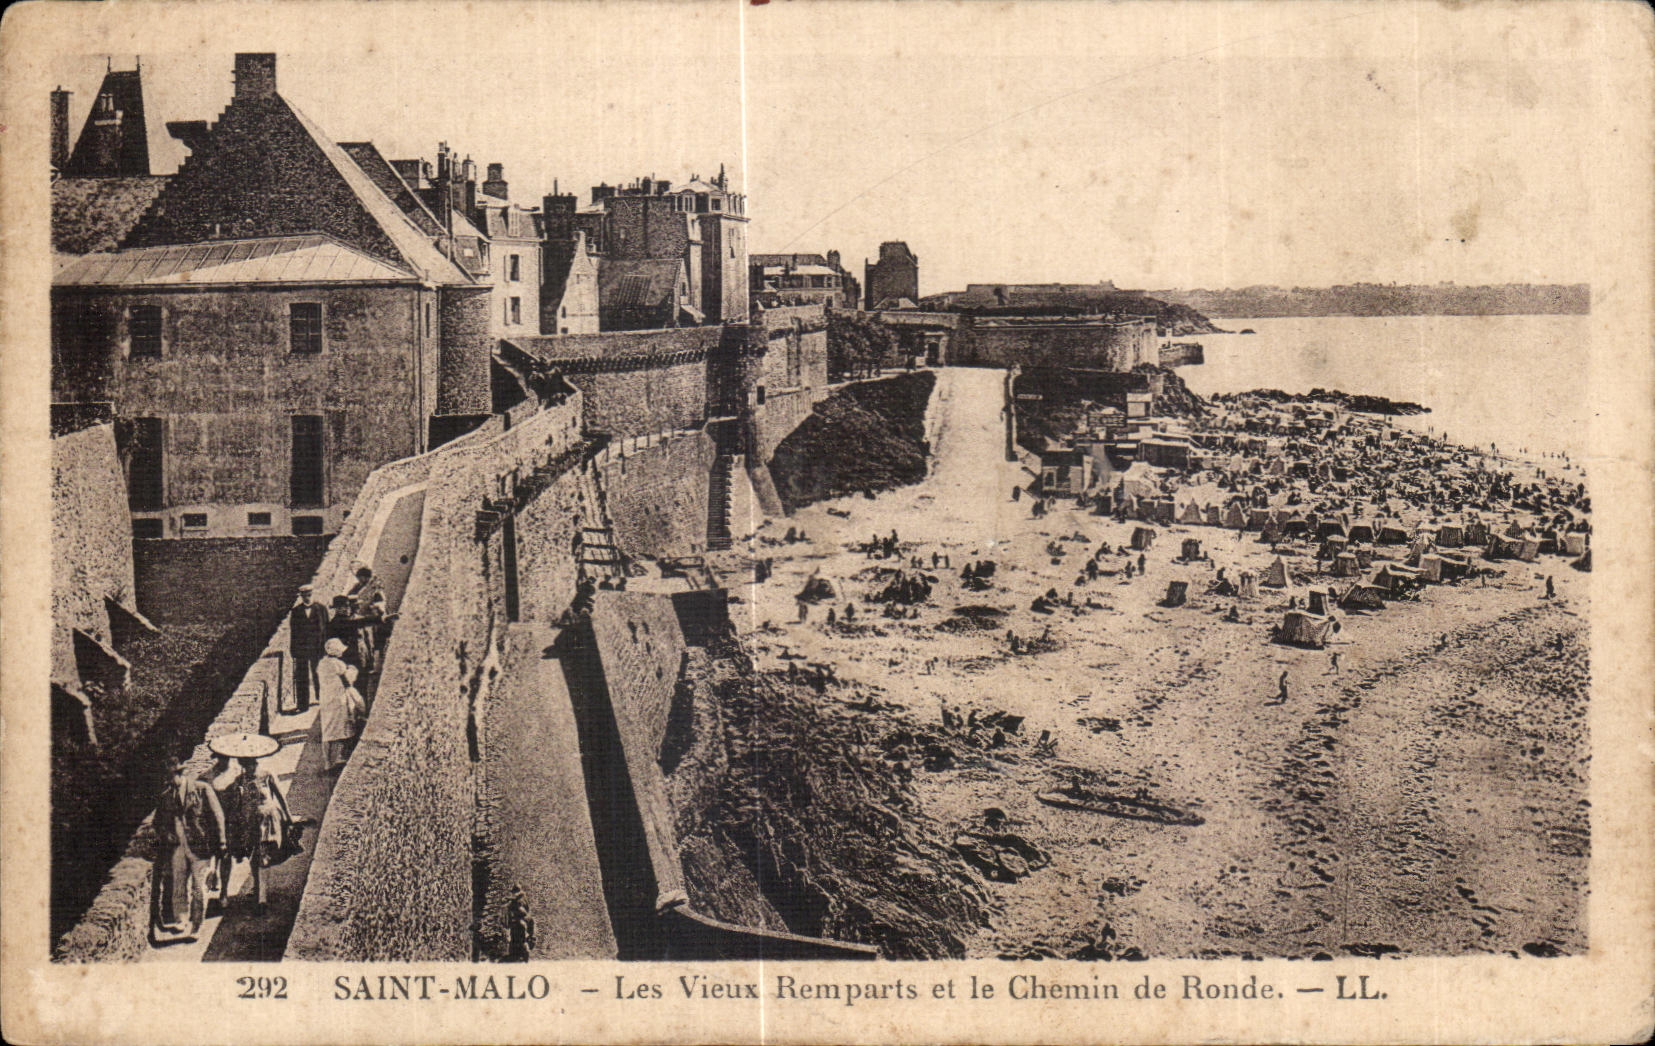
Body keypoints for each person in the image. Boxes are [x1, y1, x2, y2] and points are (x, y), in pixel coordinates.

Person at [160, 759, 226, 939]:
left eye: (172, 777)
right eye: (167, 778)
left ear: (180, 774)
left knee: (199, 887)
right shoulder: (167, 796)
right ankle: (181, 919)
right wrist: (167, 834)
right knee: (178, 883)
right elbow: (159, 822)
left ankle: (196, 926)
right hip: (179, 846)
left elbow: (218, 815)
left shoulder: (201, 789)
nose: (170, 781)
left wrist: (222, 841)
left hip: (200, 845)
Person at [318, 638, 365, 771]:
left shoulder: (322, 663)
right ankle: (341, 756)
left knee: (327, 731)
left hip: (326, 700)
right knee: (344, 728)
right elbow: (348, 681)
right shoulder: (338, 664)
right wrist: (352, 670)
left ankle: (327, 762)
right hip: (339, 701)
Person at [287, 585, 329, 714]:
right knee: (301, 676)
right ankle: (302, 704)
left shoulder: (321, 609)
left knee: (320, 673)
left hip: (318, 647)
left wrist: (327, 646)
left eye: (309, 595)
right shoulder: (296, 611)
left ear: (312, 594)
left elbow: (327, 629)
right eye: (304, 595)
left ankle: (322, 698)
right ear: (301, 596)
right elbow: (294, 632)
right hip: (302, 648)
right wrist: (293, 649)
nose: (307, 598)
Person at [506, 885, 536, 962]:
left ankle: (521, 954)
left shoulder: (518, 901)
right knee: (519, 940)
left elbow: (521, 911)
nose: (514, 894)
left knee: (520, 940)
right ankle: (521, 954)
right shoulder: (522, 899)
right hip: (522, 922)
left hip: (520, 923)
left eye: (514, 892)